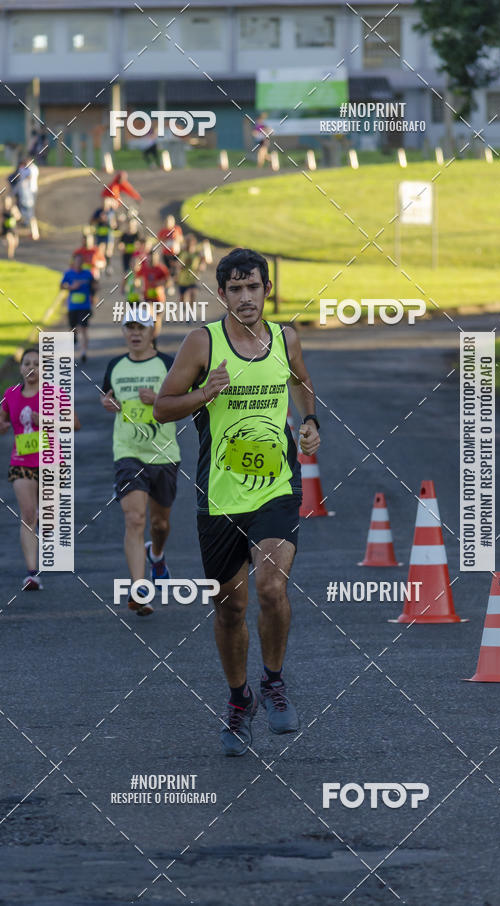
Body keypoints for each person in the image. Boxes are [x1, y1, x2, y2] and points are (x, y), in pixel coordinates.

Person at [153, 247, 320, 756]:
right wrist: (204, 394)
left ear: (267, 289)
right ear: (221, 293)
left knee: (271, 588)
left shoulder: (286, 338)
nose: (246, 298)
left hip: (276, 487)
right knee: (230, 608)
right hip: (220, 497)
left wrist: (311, 423)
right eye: (236, 289)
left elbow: (302, 384)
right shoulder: (203, 343)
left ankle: (272, 681)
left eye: (255, 287)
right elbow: (162, 406)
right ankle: (237, 697)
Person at [100, 307, 181, 616]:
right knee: (134, 519)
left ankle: (156, 554)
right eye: (129, 327)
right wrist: (106, 402)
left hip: (164, 453)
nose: (134, 333)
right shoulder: (115, 366)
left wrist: (159, 399)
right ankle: (140, 590)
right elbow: (107, 396)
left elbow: (184, 401)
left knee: (160, 523)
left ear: (153, 331)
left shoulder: (167, 365)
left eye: (141, 327)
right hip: (127, 452)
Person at [0, 348, 80, 591]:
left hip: (51, 461)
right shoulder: (10, 394)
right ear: (20, 368)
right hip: (22, 462)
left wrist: (43, 420)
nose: (32, 368)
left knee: (49, 520)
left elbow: (74, 423)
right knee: (28, 515)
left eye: (37, 363)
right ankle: (32, 573)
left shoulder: (55, 394)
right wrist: (1, 425)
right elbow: (2, 418)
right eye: (27, 363)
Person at [61, 253, 96, 363]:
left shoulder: (88, 274)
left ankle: (83, 352)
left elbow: (94, 286)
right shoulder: (68, 274)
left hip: (85, 306)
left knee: (84, 328)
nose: (79, 263)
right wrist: (71, 287)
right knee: (73, 328)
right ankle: (74, 337)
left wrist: (94, 295)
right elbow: (62, 286)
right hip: (72, 307)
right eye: (77, 261)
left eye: (81, 261)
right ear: (73, 262)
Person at [138, 248, 170, 341]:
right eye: (150, 257)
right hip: (147, 297)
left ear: (157, 258)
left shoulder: (161, 269)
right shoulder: (144, 268)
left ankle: (154, 338)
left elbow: (168, 282)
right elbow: (138, 277)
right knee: (148, 316)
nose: (152, 260)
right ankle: (149, 337)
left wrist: (160, 284)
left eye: (154, 258)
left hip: (159, 298)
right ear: (147, 257)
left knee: (157, 319)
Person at [177, 233, 206, 307]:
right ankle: (184, 311)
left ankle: (190, 314)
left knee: (192, 295)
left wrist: (202, 265)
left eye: (191, 243)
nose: (190, 245)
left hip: (192, 280)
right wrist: (183, 264)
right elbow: (179, 267)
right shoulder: (183, 254)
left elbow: (203, 263)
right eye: (188, 243)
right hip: (183, 280)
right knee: (182, 300)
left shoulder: (197, 254)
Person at [91, 198, 118, 275]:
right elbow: (91, 221)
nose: (105, 206)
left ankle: (108, 266)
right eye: (104, 204)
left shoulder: (111, 212)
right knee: (100, 250)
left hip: (108, 234)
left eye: (106, 204)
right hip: (100, 234)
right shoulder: (98, 211)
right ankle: (102, 265)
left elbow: (114, 224)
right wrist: (100, 219)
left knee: (109, 251)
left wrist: (112, 224)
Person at [158, 214, 183, 295]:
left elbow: (181, 239)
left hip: (175, 253)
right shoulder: (163, 231)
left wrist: (177, 239)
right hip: (166, 254)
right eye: (167, 221)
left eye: (170, 221)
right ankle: (170, 285)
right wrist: (165, 239)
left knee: (175, 270)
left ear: (173, 222)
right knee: (168, 270)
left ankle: (173, 284)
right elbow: (159, 240)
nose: (168, 223)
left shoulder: (177, 229)